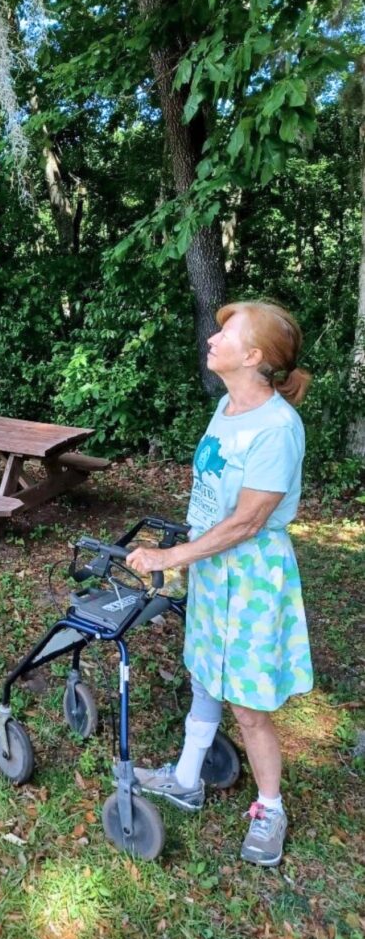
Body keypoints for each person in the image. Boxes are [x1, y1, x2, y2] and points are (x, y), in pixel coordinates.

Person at [126, 301, 312, 867]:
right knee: (205, 671)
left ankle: (270, 808)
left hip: (252, 576)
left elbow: (248, 521)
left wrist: (173, 555)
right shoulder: (229, 408)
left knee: (250, 705)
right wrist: (190, 554)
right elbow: (214, 501)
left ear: (253, 356)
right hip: (213, 568)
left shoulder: (278, 428)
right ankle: (186, 778)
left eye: (226, 333)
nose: (213, 338)